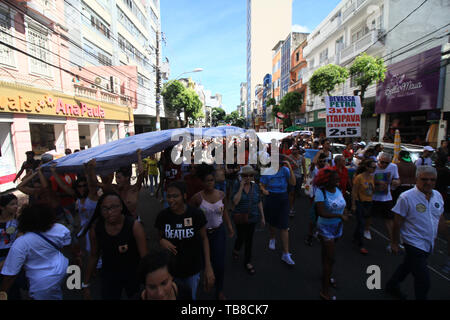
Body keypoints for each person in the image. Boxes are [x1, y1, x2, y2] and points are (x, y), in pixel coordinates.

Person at [386, 166, 446, 300]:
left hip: (428, 242)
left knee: (407, 266)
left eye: (432, 180)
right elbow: (397, 223)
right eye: (424, 179)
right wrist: (394, 243)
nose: (429, 182)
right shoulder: (406, 197)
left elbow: (440, 218)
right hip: (412, 242)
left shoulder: (437, 196)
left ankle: (391, 285)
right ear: (416, 179)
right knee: (423, 280)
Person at [154, 181, 215, 300]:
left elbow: (204, 238)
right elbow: (159, 237)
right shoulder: (162, 216)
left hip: (192, 270)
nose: (171, 200)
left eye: (175, 196)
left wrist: (208, 267)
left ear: (184, 196)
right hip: (170, 271)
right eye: (169, 196)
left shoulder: (196, 214)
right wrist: (161, 241)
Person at [82, 192, 147, 300]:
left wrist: (149, 282)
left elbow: (145, 257)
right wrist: (85, 284)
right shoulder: (96, 229)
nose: (110, 212)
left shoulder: (134, 226)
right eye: (105, 208)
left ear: (121, 207)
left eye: (114, 207)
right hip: (109, 275)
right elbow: (94, 255)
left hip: (133, 274)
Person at [0, 204, 71, 300]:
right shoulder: (60, 229)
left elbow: (10, 274)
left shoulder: (21, 243)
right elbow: (67, 246)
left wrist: (2, 292)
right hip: (62, 269)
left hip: (42, 283)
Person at [189, 164, 234, 300]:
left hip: (219, 233)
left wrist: (230, 227)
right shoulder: (197, 198)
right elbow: (189, 215)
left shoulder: (221, 194)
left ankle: (219, 289)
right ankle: (206, 281)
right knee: (203, 263)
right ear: (202, 182)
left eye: (212, 180)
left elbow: (224, 210)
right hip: (202, 235)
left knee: (219, 264)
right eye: (206, 180)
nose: (209, 183)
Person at [314, 168, 350, 300]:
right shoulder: (320, 192)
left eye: (338, 179)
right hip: (325, 228)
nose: (338, 181)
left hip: (338, 227)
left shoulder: (339, 190)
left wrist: (344, 212)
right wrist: (340, 216)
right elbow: (321, 212)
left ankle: (326, 275)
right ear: (326, 181)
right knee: (331, 258)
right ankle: (325, 291)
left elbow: (342, 204)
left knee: (326, 255)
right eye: (335, 180)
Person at [260, 157, 296, 266]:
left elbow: (293, 183)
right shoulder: (267, 171)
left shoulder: (285, 170)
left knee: (284, 226)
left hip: (283, 197)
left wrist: (289, 166)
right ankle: (272, 237)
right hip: (271, 196)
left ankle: (286, 253)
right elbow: (261, 184)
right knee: (272, 221)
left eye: (280, 164)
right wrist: (264, 190)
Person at [231, 165, 265, 275]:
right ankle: (236, 248)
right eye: (246, 175)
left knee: (249, 239)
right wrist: (241, 187)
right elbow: (235, 202)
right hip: (240, 216)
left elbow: (259, 201)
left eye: (251, 175)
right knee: (241, 236)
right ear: (242, 176)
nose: (248, 177)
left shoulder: (255, 187)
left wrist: (263, 217)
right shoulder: (237, 185)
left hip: (253, 216)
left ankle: (247, 262)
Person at [365, 152, 400, 250]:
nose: (383, 164)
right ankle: (367, 230)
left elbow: (397, 179)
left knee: (389, 219)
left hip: (386, 197)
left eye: (386, 163)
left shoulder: (393, 167)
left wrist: (396, 182)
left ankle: (392, 242)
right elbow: (365, 179)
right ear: (378, 160)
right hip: (372, 196)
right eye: (382, 162)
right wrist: (377, 182)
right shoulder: (372, 167)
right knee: (369, 215)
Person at [107, 149, 144, 219]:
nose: (116, 180)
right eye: (116, 178)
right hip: (120, 223)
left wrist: (139, 156)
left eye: (119, 178)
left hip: (133, 222)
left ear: (126, 178)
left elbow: (141, 174)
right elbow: (98, 184)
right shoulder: (115, 189)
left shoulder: (134, 189)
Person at [351, 159, 376, 255]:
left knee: (362, 222)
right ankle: (361, 245)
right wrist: (353, 204)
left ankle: (355, 237)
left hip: (369, 202)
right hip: (360, 202)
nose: (374, 169)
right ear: (367, 167)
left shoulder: (371, 177)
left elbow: (372, 190)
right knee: (361, 223)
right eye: (373, 167)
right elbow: (354, 191)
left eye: (375, 167)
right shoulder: (359, 178)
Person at [304, 153, 328, 246]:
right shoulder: (314, 170)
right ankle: (310, 235)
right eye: (320, 161)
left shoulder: (327, 170)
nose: (322, 163)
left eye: (324, 161)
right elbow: (313, 163)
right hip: (315, 197)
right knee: (313, 217)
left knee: (322, 216)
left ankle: (318, 232)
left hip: (325, 196)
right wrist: (319, 152)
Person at [0, 194, 21, 300]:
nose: (16, 206)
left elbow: (20, 241)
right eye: (12, 204)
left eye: (16, 204)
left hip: (12, 254)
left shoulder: (18, 220)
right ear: (2, 207)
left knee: (12, 286)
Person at [288, 146, 307, 217]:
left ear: (298, 150)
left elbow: (304, 168)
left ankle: (291, 204)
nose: (293, 151)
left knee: (296, 193)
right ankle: (290, 208)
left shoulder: (302, 158)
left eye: (295, 149)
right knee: (291, 193)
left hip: (299, 177)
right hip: (291, 177)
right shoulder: (289, 157)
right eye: (292, 149)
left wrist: (305, 177)